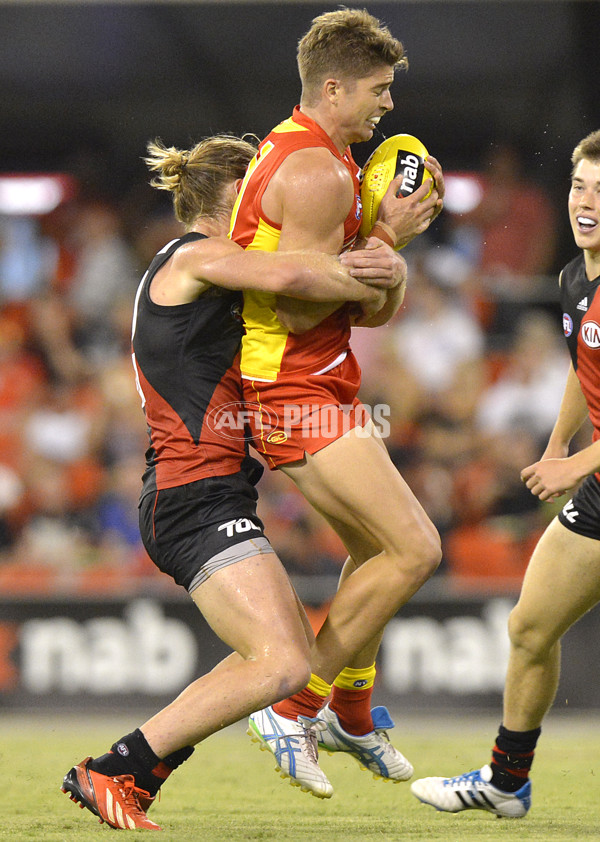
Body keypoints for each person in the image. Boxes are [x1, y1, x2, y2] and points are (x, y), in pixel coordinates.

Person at [60, 134, 407, 830]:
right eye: (260, 192)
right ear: (232, 198)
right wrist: (379, 247)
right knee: (282, 665)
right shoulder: (195, 256)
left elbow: (330, 302)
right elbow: (293, 278)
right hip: (189, 501)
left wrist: (382, 265)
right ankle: (116, 768)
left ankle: (128, 774)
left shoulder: (221, 268)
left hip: (209, 495)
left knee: (281, 660)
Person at [228, 7, 445, 799]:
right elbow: (295, 307)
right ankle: (294, 710)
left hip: (320, 380)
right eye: (378, 90)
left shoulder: (326, 160)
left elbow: (366, 308)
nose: (387, 105)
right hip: (291, 386)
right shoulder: (318, 174)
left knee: (373, 552)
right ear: (334, 85)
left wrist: (390, 253)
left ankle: (350, 714)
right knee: (417, 550)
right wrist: (386, 240)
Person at [410, 128, 600, 818]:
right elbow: (588, 367)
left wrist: (575, 464)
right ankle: (506, 781)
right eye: (581, 184)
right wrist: (557, 446)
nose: (588, 200)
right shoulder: (576, 276)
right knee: (529, 629)